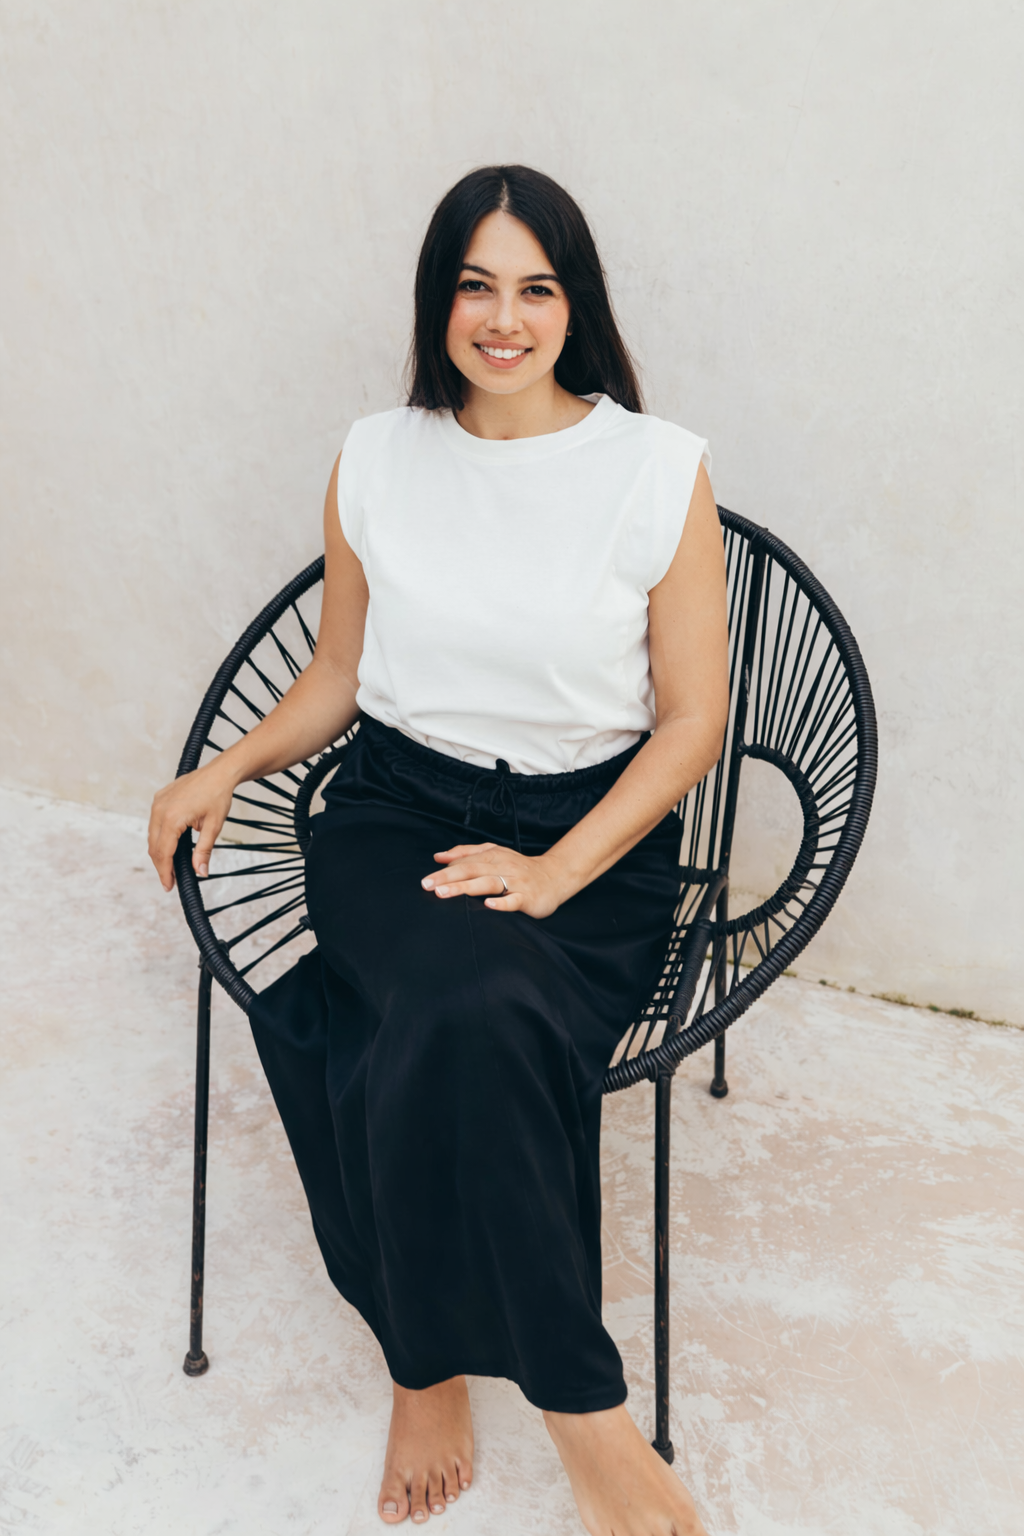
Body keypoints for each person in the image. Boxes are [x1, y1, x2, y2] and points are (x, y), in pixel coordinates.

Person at [149, 164, 727, 1536]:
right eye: (476, 283)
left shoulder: (659, 469)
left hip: (596, 832)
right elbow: (339, 675)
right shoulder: (378, 454)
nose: (504, 316)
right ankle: (574, 1411)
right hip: (396, 811)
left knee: (456, 1010)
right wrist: (227, 765)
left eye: (536, 286)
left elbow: (695, 722)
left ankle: (426, 1356)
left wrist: (556, 872)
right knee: (451, 998)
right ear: (440, 301)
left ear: (575, 303)